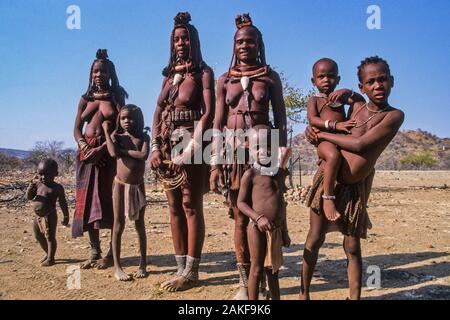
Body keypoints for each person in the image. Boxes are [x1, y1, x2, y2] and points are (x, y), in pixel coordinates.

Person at [300, 56, 404, 300]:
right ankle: (303, 295)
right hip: (329, 180)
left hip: (355, 188)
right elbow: (340, 99)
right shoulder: (356, 106)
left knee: (353, 246)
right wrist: (318, 128)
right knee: (314, 239)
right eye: (371, 81)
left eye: (383, 80)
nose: (378, 85)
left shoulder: (394, 116)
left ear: (392, 81)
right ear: (362, 87)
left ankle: (353, 297)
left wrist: (322, 136)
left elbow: (359, 144)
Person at [209, 13, 288, 300]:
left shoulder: (269, 76)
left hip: (262, 154)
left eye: (250, 41)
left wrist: (280, 160)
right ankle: (246, 282)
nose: (244, 45)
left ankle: (266, 277)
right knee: (240, 218)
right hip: (232, 155)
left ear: (258, 44)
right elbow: (217, 124)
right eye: (240, 41)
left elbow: (281, 119)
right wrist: (215, 164)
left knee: (267, 213)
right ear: (234, 45)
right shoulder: (224, 79)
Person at [150, 12, 215, 291]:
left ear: (194, 41)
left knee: (190, 205)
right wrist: (154, 147)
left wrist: (190, 148)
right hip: (165, 145)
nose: (180, 43)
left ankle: (191, 271)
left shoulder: (203, 73)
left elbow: (208, 113)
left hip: (192, 142)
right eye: (176, 39)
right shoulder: (167, 77)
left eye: (185, 38)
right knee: (173, 206)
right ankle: (180, 268)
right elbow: (158, 111)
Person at [72, 49, 128, 269]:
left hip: (107, 156)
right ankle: (94, 251)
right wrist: (86, 148)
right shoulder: (84, 99)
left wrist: (102, 149)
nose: (99, 75)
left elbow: (123, 127)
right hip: (86, 157)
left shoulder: (116, 97)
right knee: (86, 204)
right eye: (95, 71)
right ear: (90, 74)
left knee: (109, 203)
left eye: (103, 71)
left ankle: (111, 254)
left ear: (110, 73)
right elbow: (76, 129)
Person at [306, 58, 364, 221]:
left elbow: (361, 102)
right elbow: (313, 120)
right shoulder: (314, 100)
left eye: (331, 76)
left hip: (342, 140)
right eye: (321, 76)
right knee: (333, 156)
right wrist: (335, 125)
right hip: (324, 142)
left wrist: (348, 92)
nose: (326, 80)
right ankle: (328, 198)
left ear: (338, 79)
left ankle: (361, 206)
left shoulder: (340, 99)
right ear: (313, 81)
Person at [237, 125, 291, 300]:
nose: (263, 151)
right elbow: (241, 203)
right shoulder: (250, 174)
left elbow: (281, 204)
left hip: (275, 230)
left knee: (273, 271)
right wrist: (258, 218)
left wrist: (284, 230)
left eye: (268, 146)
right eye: (257, 147)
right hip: (257, 229)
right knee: (257, 268)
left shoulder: (278, 174)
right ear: (249, 148)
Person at [103, 104, 150, 281]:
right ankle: (117, 267)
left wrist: (124, 151)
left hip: (137, 186)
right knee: (118, 224)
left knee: (139, 225)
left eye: (130, 118)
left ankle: (143, 264)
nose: (126, 121)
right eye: (123, 118)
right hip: (120, 185)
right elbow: (113, 153)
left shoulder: (144, 136)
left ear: (138, 120)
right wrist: (107, 133)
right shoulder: (118, 137)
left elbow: (143, 155)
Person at [26, 159, 69, 266]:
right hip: (38, 217)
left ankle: (51, 258)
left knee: (50, 237)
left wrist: (66, 215)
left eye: (47, 175)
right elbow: (29, 197)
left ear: (56, 174)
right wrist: (31, 187)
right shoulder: (38, 184)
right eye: (41, 174)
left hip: (50, 215)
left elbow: (63, 202)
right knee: (38, 236)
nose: (43, 177)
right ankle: (48, 253)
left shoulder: (57, 187)